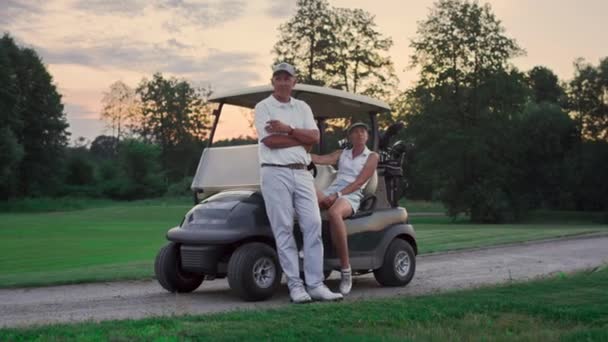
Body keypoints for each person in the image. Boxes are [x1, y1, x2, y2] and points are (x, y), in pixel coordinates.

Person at [254, 62, 343, 303]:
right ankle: (295, 286)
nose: (283, 82)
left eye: (287, 78)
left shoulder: (302, 107)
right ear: (273, 81)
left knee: (313, 224)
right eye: (278, 77)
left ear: (294, 81)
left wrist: (288, 129)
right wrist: (299, 139)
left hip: (302, 172)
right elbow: (270, 142)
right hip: (275, 173)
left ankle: (315, 284)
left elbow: (314, 137)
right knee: (283, 228)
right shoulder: (263, 107)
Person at [311, 122, 379, 295]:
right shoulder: (342, 154)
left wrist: (337, 196)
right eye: (355, 132)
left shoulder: (372, 156)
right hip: (333, 190)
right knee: (307, 200)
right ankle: (309, 248)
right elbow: (320, 159)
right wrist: (298, 154)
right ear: (350, 136)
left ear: (367, 136)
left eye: (363, 131)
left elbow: (358, 183)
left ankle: (346, 269)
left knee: (334, 212)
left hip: (352, 194)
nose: (359, 134)